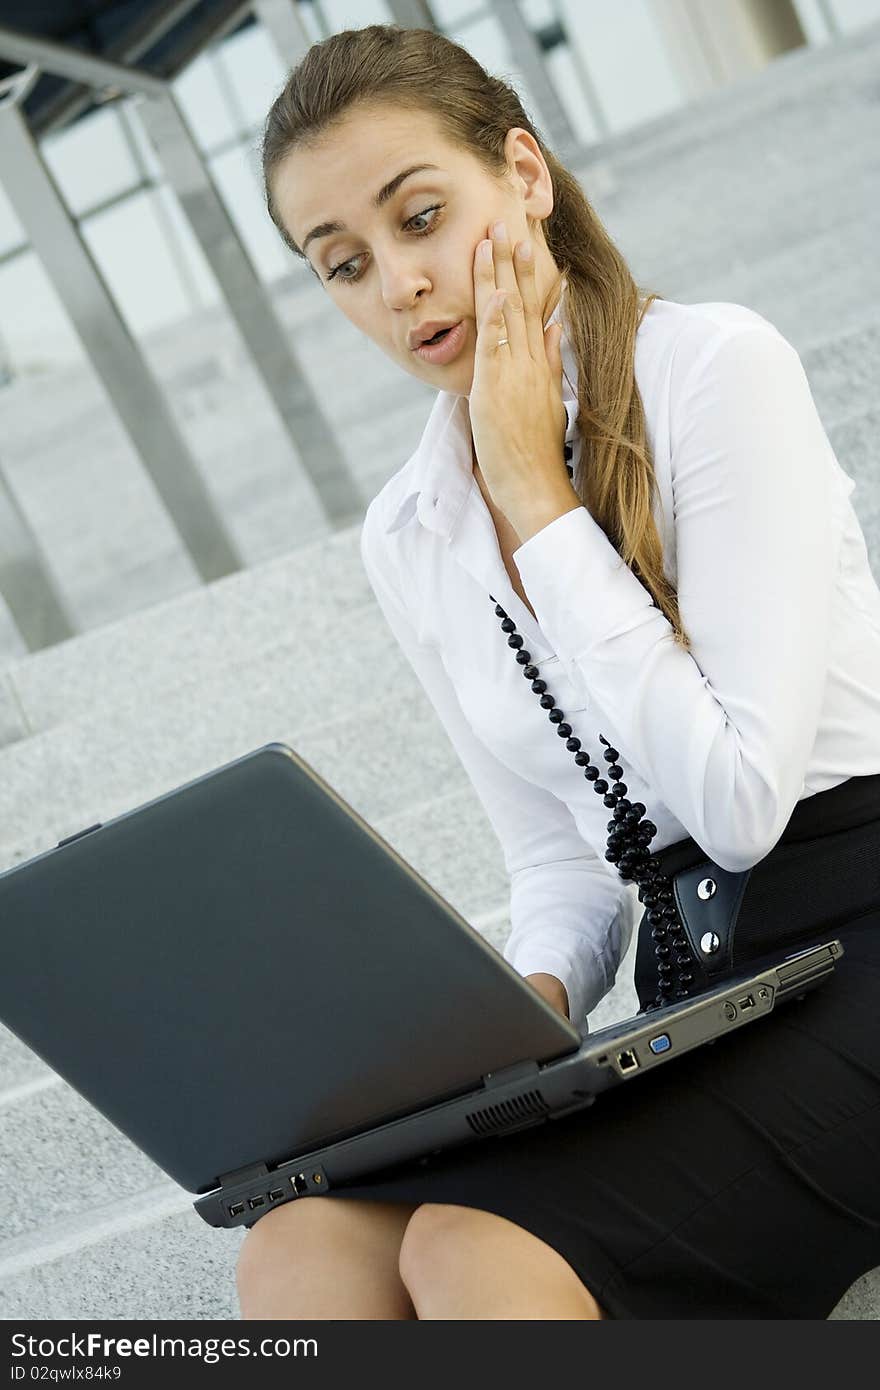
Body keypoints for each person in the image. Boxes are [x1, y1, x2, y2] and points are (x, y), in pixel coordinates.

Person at [235, 23, 880, 1319]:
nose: (400, 285)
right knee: (301, 1247)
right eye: (345, 264)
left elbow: (742, 799)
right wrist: (503, 1028)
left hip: (856, 940)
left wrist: (540, 496)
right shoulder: (411, 528)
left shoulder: (712, 371)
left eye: (421, 217)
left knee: (477, 1249)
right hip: (690, 993)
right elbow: (561, 863)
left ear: (521, 175)